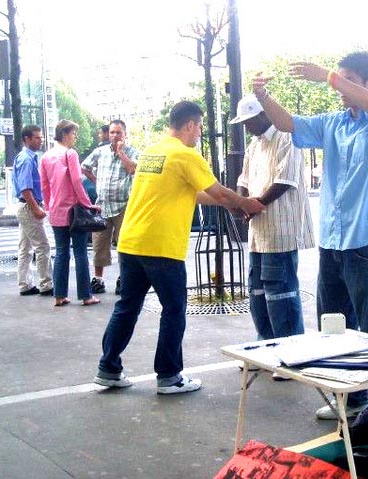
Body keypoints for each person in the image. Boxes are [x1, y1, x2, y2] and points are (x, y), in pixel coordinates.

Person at [253, 51, 368, 419]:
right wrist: (262, 96)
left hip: (366, 241)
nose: (340, 88)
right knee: (334, 326)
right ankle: (350, 400)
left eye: (349, 80)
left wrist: (326, 76)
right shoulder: (334, 123)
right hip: (333, 243)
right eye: (340, 79)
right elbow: (288, 124)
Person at [93, 101, 265, 393]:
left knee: (127, 306)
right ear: (190, 125)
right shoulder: (186, 155)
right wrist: (246, 203)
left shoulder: (152, 152)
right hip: (161, 246)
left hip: (131, 242)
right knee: (174, 309)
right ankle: (169, 376)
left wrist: (228, 203)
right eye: (199, 127)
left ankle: (108, 369)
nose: (199, 133)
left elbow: (191, 193)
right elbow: (219, 191)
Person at [231, 93, 315, 380]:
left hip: (281, 228)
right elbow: (243, 180)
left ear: (263, 115)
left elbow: (284, 181)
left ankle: (292, 354)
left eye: (249, 121)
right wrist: (242, 201)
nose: (246, 127)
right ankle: (266, 346)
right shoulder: (254, 145)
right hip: (258, 230)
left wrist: (254, 205)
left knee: (280, 290)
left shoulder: (286, 137)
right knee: (257, 289)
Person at [40, 120, 101, 307]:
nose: (75, 137)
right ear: (65, 134)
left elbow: (45, 186)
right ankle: (85, 295)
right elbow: (76, 181)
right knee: (81, 252)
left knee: (61, 252)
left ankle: (59, 295)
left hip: (56, 210)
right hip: (74, 211)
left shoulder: (46, 156)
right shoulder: (70, 153)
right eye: (74, 133)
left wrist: (49, 206)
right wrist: (88, 204)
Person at [82, 120, 138, 296]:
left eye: (118, 132)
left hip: (123, 206)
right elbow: (85, 167)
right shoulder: (100, 152)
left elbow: (133, 170)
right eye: (112, 132)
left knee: (124, 245)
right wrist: (96, 181)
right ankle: (98, 279)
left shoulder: (133, 152)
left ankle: (124, 278)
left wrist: (121, 153)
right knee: (99, 244)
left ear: (125, 134)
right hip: (102, 206)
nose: (115, 136)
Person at [12, 125, 53, 296]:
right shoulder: (27, 159)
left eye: (41, 137)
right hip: (29, 205)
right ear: (27, 139)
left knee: (25, 247)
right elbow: (25, 188)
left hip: (25, 205)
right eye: (37, 137)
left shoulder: (24, 157)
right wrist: (36, 208)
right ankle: (46, 284)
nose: (40, 140)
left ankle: (25, 284)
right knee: (42, 246)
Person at [82, 125, 109, 205]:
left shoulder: (101, 148)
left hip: (98, 188)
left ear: (106, 134)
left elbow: (83, 167)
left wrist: (96, 181)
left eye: (100, 133)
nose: (99, 136)